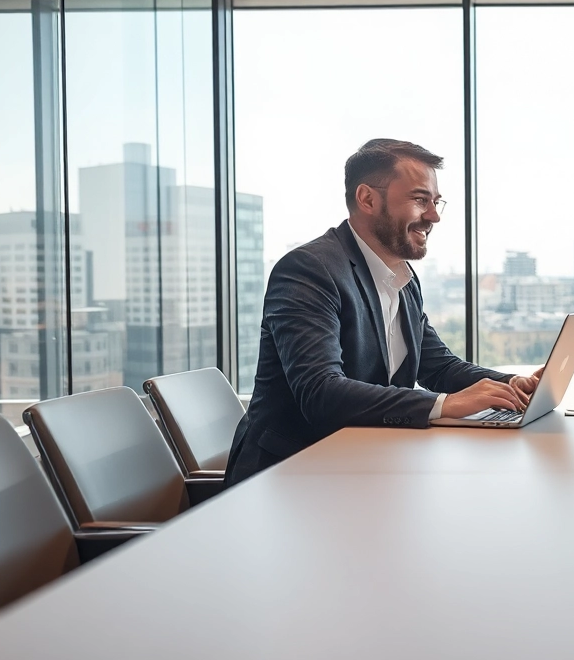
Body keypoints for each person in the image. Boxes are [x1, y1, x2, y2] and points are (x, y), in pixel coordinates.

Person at [225, 139, 541, 486]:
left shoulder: (402, 278)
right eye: (421, 200)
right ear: (368, 199)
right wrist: (444, 404)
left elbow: (438, 366)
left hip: (366, 466)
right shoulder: (309, 269)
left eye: (436, 203)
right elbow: (321, 393)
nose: (434, 216)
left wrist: (512, 386)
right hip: (289, 479)